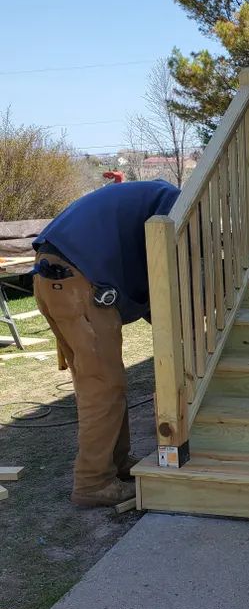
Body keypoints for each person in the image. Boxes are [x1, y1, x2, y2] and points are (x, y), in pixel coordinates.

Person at [32, 180, 180, 508]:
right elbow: (164, 272)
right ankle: (92, 483)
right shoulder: (175, 205)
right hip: (76, 281)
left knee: (105, 381)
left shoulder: (154, 198)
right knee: (101, 386)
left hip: (56, 275)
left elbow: (149, 278)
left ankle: (117, 464)